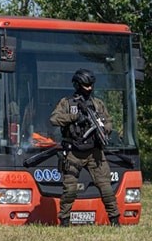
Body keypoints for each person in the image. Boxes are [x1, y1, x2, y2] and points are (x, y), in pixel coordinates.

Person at [49, 69, 120, 227]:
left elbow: (109, 121)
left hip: (95, 152)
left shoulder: (97, 104)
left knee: (106, 188)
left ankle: (115, 220)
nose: (89, 88)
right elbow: (54, 119)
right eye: (85, 85)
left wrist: (103, 128)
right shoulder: (67, 103)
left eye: (91, 85)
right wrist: (75, 118)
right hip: (74, 152)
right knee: (70, 190)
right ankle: (65, 221)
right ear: (77, 85)